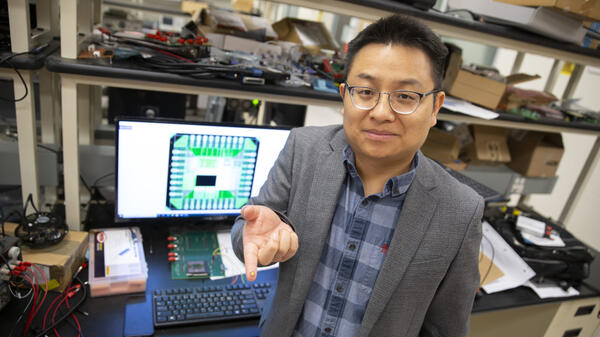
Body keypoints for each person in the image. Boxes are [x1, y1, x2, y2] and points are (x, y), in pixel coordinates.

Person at [231, 14, 484, 337]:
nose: (380, 112)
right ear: (344, 96)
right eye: (365, 91)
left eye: (405, 97)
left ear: (435, 108)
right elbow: (248, 231)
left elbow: (446, 329)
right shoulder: (303, 150)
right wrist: (249, 238)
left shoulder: (460, 211)